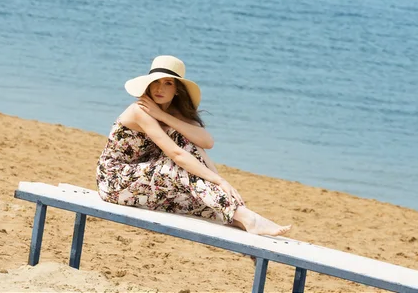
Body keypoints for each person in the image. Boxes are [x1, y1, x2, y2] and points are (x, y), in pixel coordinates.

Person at [96, 55, 291, 236]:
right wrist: (219, 180)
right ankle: (247, 216)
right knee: (177, 166)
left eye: (167, 83)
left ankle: (238, 215)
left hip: (143, 178)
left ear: (177, 89)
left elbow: (206, 142)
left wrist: (164, 116)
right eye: (155, 82)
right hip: (114, 180)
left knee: (197, 194)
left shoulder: (169, 113)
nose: (159, 89)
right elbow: (176, 155)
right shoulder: (140, 110)